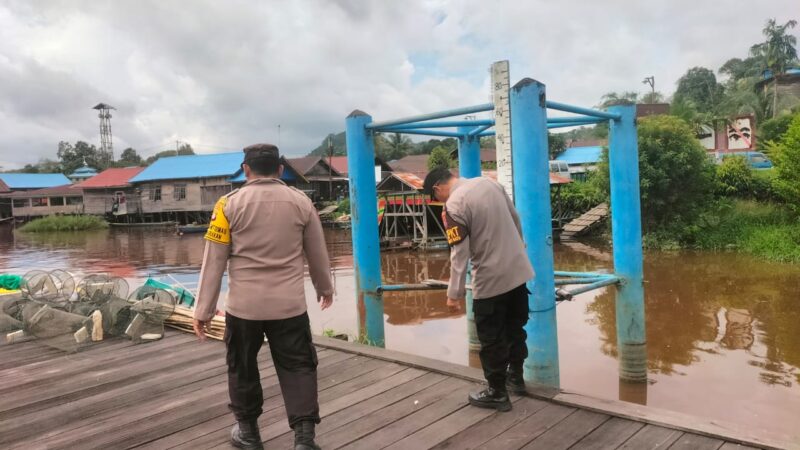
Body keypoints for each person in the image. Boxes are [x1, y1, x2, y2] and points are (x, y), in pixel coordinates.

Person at [193, 143, 334, 450]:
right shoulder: (301, 203)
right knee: (299, 366)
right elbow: (317, 254)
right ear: (280, 170)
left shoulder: (227, 205)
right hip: (290, 307)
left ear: (246, 170)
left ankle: (248, 433)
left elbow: (214, 261)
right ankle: (304, 440)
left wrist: (202, 310)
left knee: (242, 365)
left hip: (244, 308)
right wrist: (325, 288)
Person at [423, 168, 534, 412]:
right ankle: (516, 379)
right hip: (518, 271)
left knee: (491, 337)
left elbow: (459, 253)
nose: (439, 201)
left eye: (435, 198)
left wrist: (454, 293)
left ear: (437, 188)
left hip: (490, 279)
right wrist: (520, 245)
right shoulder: (489, 183)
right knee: (515, 327)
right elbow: (515, 218)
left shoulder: (453, 205)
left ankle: (497, 392)